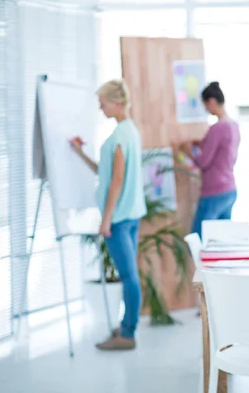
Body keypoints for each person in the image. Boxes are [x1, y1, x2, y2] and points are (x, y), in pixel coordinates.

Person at [70, 79, 147, 351]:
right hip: (130, 214)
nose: (100, 108)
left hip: (119, 219)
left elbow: (116, 181)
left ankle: (127, 334)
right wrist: (80, 153)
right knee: (130, 275)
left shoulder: (119, 137)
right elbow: (106, 173)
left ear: (116, 103)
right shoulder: (129, 131)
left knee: (128, 277)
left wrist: (105, 221)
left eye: (102, 103)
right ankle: (126, 327)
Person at [181, 82, 240, 239]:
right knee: (221, 240)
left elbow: (203, 162)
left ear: (212, 101)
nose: (206, 109)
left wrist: (187, 150)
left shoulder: (217, 128)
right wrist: (202, 142)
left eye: (205, 105)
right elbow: (223, 150)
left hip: (214, 192)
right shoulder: (233, 125)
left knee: (197, 239)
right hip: (229, 190)